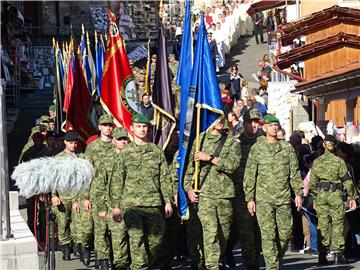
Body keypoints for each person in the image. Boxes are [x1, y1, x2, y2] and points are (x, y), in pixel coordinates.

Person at [110, 114, 174, 270]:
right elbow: (117, 180)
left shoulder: (156, 151)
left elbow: (164, 178)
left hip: (153, 204)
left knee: (156, 240)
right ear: (132, 129)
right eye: (138, 126)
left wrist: (168, 201)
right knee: (136, 239)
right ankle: (140, 267)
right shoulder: (125, 153)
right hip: (131, 205)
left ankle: (144, 264)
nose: (142, 129)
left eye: (144, 126)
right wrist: (116, 206)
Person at [244, 114, 303, 270]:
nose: (274, 128)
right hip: (263, 200)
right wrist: (249, 198)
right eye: (271, 125)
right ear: (264, 128)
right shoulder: (257, 148)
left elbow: (294, 173)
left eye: (276, 125)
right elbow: (250, 175)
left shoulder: (286, 148)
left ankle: (276, 257)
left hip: (283, 198)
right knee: (268, 235)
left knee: (285, 234)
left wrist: (298, 193)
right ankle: (272, 266)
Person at [185, 117, 241, 270]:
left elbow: (232, 166)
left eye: (222, 117)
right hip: (204, 195)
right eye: (216, 117)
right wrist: (189, 189)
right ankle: (212, 266)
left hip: (225, 195)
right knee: (211, 233)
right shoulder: (199, 140)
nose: (220, 121)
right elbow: (189, 169)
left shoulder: (231, 142)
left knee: (223, 235)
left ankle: (216, 259)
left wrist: (210, 158)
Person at [310, 135, 357, 265]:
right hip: (336, 195)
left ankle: (322, 255)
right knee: (337, 224)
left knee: (323, 224)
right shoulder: (339, 161)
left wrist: (316, 196)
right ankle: (337, 254)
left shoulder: (317, 162)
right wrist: (352, 197)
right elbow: (347, 181)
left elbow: (312, 183)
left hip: (321, 195)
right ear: (334, 146)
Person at [226, 108, 262, 270]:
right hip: (240, 193)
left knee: (261, 231)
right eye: (250, 122)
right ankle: (251, 263)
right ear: (244, 123)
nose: (253, 125)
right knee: (246, 230)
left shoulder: (265, 142)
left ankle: (256, 254)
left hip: (263, 193)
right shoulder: (235, 143)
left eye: (256, 122)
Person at [82, 114, 117, 269]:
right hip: (97, 193)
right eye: (105, 125)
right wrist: (85, 196)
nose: (108, 128)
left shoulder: (118, 145)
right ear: (100, 127)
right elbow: (86, 173)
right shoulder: (93, 147)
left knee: (114, 228)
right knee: (100, 228)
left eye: (110, 125)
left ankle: (112, 256)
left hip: (115, 193)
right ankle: (102, 258)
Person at [95, 126, 131, 270]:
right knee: (118, 238)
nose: (123, 142)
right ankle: (120, 265)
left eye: (125, 139)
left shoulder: (133, 156)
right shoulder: (106, 160)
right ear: (114, 141)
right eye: (120, 139)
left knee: (133, 238)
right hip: (113, 206)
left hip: (133, 204)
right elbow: (99, 185)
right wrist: (102, 207)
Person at [52, 131, 84, 261]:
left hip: (77, 196)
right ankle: (65, 248)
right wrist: (54, 195)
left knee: (78, 223)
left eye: (75, 143)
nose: (73, 145)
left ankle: (77, 247)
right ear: (65, 142)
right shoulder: (58, 158)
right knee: (63, 223)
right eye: (71, 143)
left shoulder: (81, 157)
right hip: (63, 196)